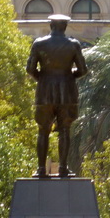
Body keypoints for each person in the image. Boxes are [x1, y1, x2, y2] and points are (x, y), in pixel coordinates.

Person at [26, 13, 87, 178]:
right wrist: (68, 76)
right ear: (65, 26)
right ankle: (63, 168)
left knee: (42, 130)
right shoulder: (73, 45)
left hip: (44, 91)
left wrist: (43, 78)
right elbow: (83, 70)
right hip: (67, 91)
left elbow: (30, 69)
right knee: (65, 130)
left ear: (51, 25)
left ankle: (40, 169)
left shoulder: (39, 44)